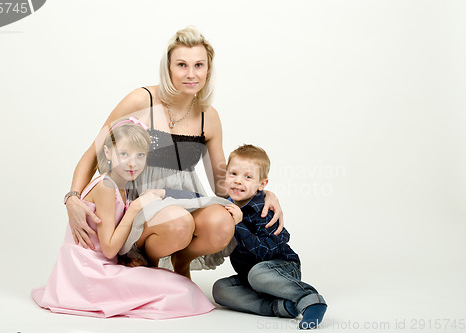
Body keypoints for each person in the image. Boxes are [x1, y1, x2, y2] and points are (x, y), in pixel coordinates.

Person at [64, 26, 285, 279]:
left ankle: (183, 261)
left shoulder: (209, 117)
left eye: (199, 65)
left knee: (223, 222)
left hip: (186, 198)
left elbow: (222, 186)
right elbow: (93, 153)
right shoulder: (141, 100)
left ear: (208, 69)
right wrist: (72, 198)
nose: (191, 74)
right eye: (182, 65)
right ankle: (146, 261)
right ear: (168, 67)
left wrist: (262, 192)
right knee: (179, 221)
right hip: (141, 202)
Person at [32, 118, 215, 319]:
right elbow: (109, 248)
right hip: (89, 272)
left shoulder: (122, 184)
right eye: (124, 154)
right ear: (108, 153)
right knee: (181, 290)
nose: (132, 162)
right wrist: (135, 207)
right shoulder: (105, 186)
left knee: (180, 286)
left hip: (100, 265)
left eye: (140, 155)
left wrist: (127, 260)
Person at [212, 145, 327, 330]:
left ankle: (308, 299)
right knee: (220, 289)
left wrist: (239, 225)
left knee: (258, 273)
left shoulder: (265, 211)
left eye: (248, 177)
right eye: (233, 173)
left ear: (262, 184)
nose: (238, 181)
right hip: (250, 276)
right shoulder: (226, 205)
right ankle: (280, 307)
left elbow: (262, 254)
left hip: (280, 268)